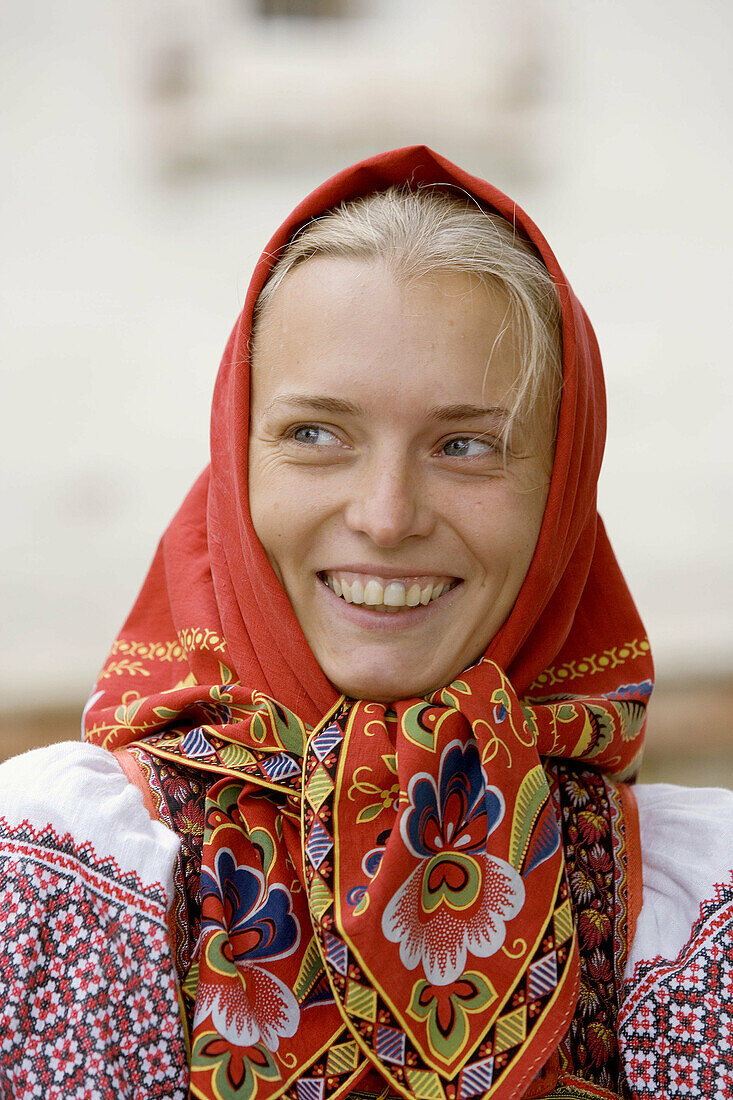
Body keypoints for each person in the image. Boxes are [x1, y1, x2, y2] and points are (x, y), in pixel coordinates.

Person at [0, 146, 731, 1100]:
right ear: (236, 460)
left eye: (466, 445)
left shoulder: (692, 914)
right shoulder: (50, 880)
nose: (386, 517)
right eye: (315, 435)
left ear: (560, 494)